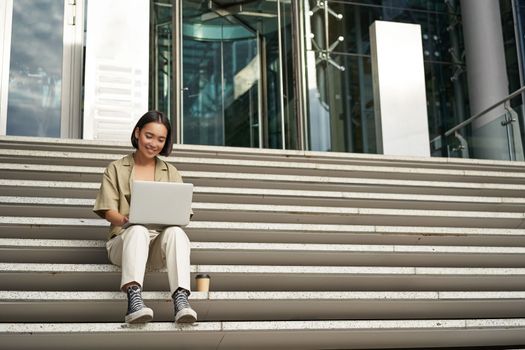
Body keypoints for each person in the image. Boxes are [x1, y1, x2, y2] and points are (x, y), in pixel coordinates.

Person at [93, 110, 197, 324]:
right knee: (138, 229)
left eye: (161, 139)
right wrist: (127, 220)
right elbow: (107, 210)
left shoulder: (171, 172)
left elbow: (184, 212)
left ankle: (181, 299)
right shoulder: (116, 168)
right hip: (124, 241)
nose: (154, 143)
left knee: (177, 232)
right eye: (149, 136)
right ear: (138, 133)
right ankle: (134, 299)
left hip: (157, 246)